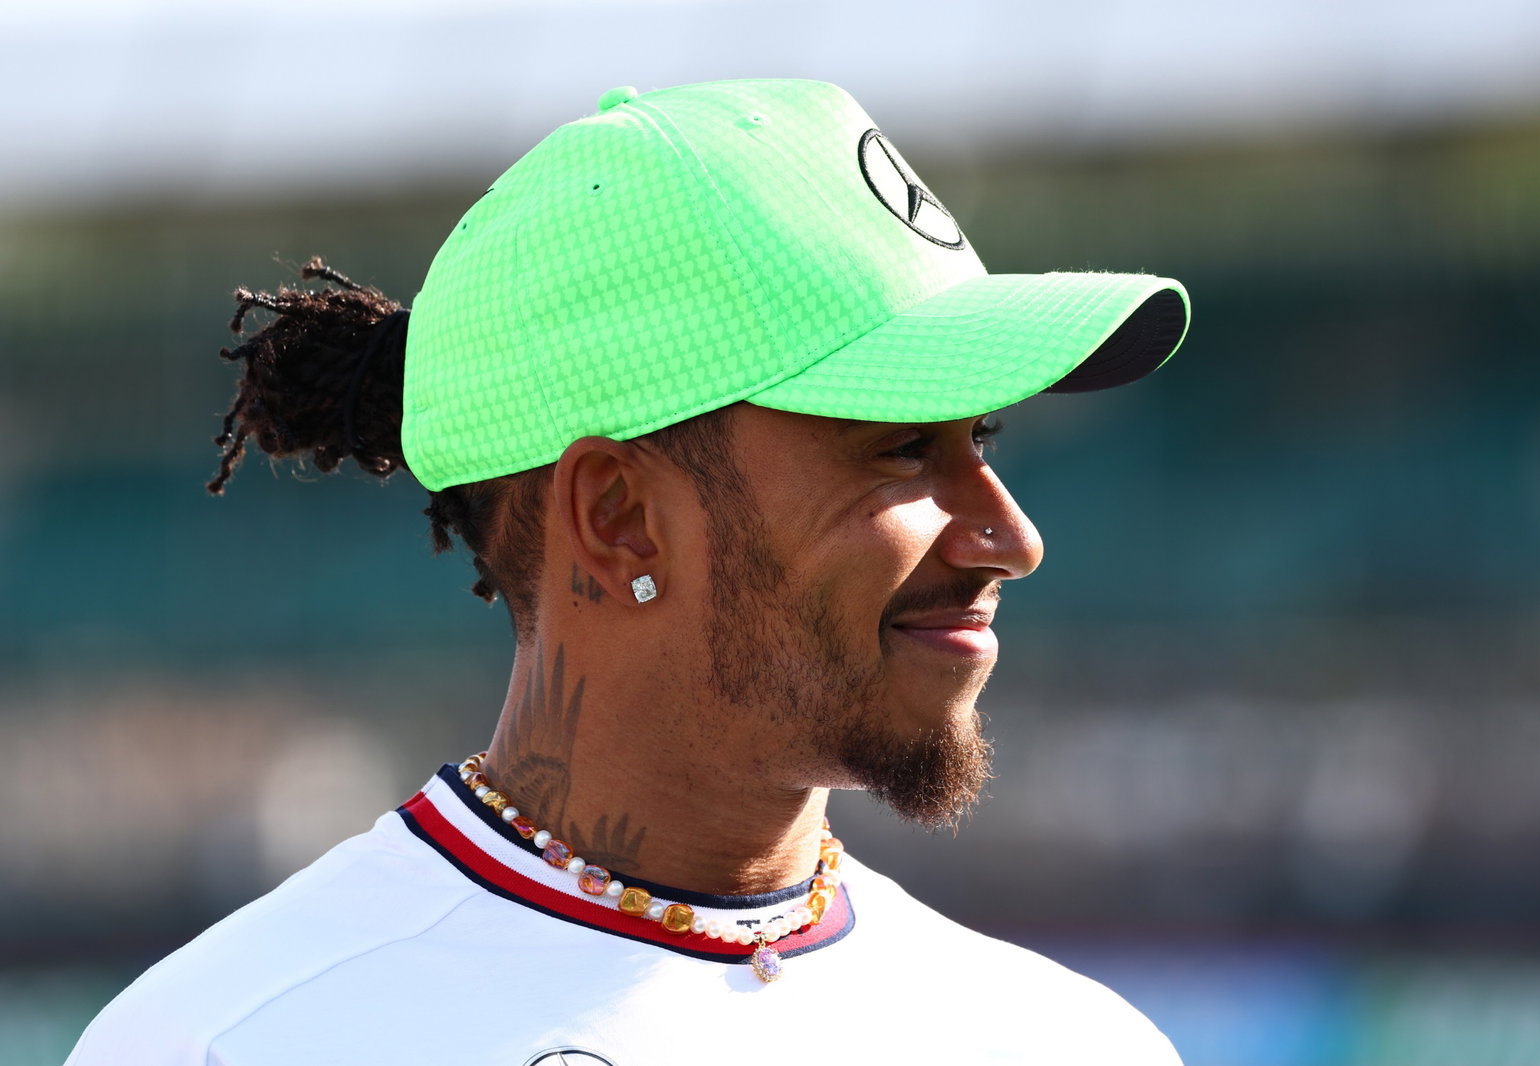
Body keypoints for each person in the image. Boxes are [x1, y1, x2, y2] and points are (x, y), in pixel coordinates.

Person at [68, 79, 1190, 1064]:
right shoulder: (233, 1043)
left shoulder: (1071, 1043)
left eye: (979, 442)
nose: (1009, 535)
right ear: (618, 516)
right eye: (901, 447)